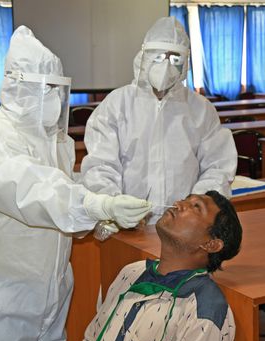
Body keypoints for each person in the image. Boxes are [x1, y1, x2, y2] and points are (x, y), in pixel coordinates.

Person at [0, 26, 150, 341]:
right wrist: (94, 206)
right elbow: (35, 192)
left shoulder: (56, 142)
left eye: (59, 91)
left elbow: (63, 196)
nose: (57, 100)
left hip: (53, 293)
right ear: (19, 88)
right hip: (2, 303)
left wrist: (97, 220)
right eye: (47, 90)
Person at [80, 17, 238, 226]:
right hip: (129, 226)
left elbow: (218, 166)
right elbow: (100, 165)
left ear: (185, 63)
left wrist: (193, 208)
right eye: (158, 57)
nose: (165, 66)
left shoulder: (201, 109)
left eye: (175, 59)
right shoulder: (118, 104)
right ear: (144, 57)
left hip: (183, 228)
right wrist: (116, 206)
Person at [78, 190, 242, 341]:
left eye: (196, 207)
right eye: (186, 199)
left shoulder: (204, 309)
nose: (178, 204)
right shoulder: (132, 272)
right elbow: (91, 340)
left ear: (210, 244)